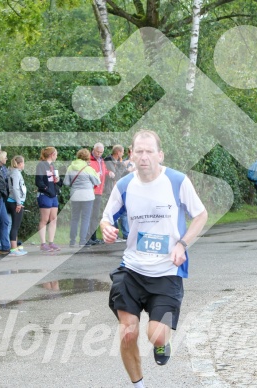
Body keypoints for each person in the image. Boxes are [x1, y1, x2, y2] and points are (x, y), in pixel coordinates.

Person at [100, 130, 208, 388]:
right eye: (139, 151)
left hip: (167, 271)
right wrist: (105, 227)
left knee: (156, 337)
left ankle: (163, 341)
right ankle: (139, 385)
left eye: (150, 151)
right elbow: (106, 217)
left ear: (160, 154)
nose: (144, 156)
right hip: (132, 269)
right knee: (128, 332)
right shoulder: (124, 185)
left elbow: (201, 215)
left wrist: (182, 244)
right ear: (132, 154)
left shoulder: (176, 181)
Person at [63, 149, 101, 248]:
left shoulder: (71, 167)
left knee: (74, 218)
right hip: (87, 196)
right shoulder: (88, 168)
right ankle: (82, 241)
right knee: (85, 218)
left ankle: (72, 241)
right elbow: (97, 182)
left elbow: (66, 182)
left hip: (75, 195)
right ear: (87, 157)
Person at [35, 147, 62, 252]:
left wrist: (58, 180)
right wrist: (46, 189)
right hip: (45, 195)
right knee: (44, 219)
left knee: (53, 218)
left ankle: (51, 242)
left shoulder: (52, 165)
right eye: (56, 154)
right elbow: (38, 181)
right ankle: (43, 243)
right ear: (52, 154)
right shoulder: (41, 165)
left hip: (53, 195)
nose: (57, 156)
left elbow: (56, 181)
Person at [87, 143, 113, 245]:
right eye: (97, 152)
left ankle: (93, 237)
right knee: (89, 215)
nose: (99, 154)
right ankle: (87, 237)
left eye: (101, 152)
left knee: (95, 215)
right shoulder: (88, 159)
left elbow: (103, 171)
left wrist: (108, 172)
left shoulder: (101, 160)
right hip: (91, 191)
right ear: (93, 150)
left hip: (99, 191)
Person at [104, 144, 128, 240]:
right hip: (109, 189)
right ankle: (114, 234)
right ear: (118, 152)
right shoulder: (109, 160)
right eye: (122, 152)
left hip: (114, 189)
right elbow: (115, 176)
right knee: (112, 212)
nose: (123, 154)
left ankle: (117, 233)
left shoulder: (117, 162)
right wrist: (123, 167)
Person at [6, 156, 28, 256]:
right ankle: (13, 249)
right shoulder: (15, 173)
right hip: (14, 201)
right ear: (19, 164)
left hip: (14, 201)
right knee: (15, 226)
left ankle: (16, 248)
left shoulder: (13, 172)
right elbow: (15, 188)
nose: (24, 165)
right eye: (23, 163)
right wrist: (19, 203)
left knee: (16, 225)